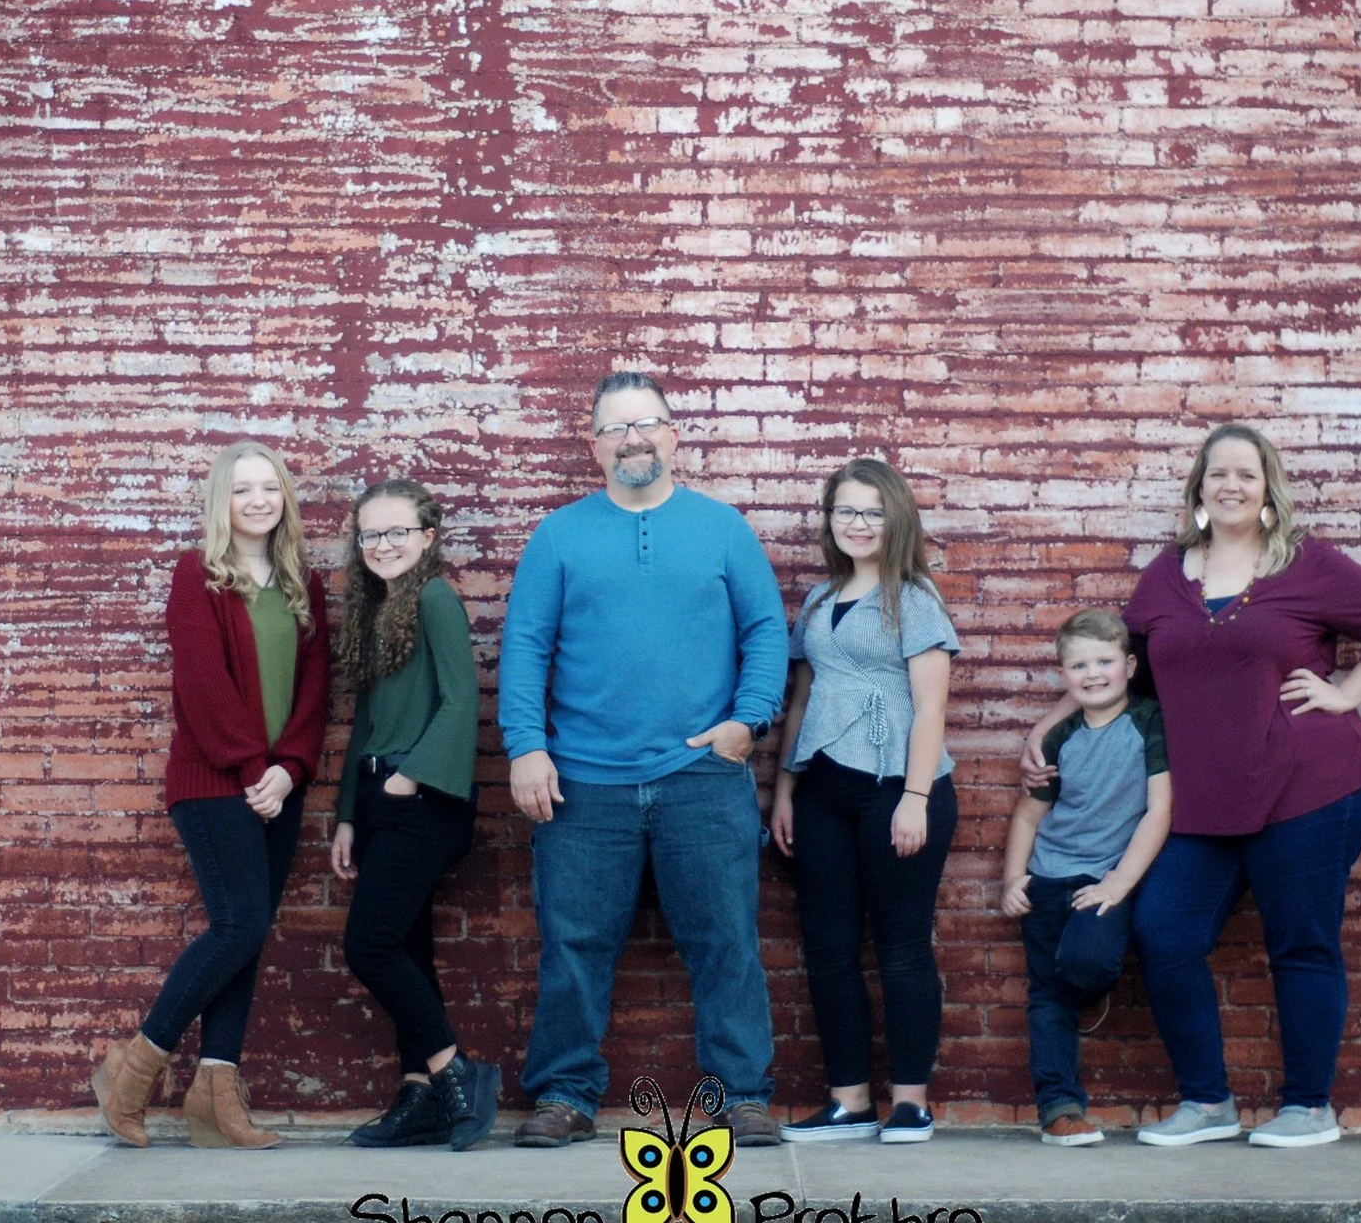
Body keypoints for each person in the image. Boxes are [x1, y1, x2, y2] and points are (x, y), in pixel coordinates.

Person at [1023, 423, 1361, 1148]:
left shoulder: (1307, 564)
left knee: (1300, 941)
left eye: (1246, 473)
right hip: (1204, 800)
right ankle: (1207, 1103)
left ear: (1268, 488)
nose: (1231, 485)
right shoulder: (1169, 574)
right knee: (1164, 931)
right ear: (1198, 490)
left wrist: (1346, 694)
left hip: (1309, 784)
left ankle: (1309, 1107)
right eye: (1217, 475)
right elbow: (1126, 660)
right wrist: (1051, 725)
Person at [499, 371, 789, 1149]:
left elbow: (766, 631)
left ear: (674, 434)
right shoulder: (559, 536)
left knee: (726, 938)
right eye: (617, 427)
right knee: (574, 945)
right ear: (594, 445)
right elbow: (524, 647)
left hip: (703, 774)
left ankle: (742, 1096)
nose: (634, 439)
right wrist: (526, 747)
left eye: (648, 423)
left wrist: (747, 722)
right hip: (583, 779)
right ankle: (563, 1093)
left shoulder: (723, 528)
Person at [91, 440, 330, 1151]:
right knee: (239, 926)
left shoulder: (302, 584)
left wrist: (289, 768)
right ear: (221, 502)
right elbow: (201, 684)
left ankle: (216, 1101)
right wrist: (255, 767)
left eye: (270, 488)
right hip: (214, 782)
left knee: (248, 938)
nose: (258, 500)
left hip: (278, 785)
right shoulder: (197, 575)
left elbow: (317, 688)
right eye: (242, 489)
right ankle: (130, 1073)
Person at [768, 458, 961, 1145]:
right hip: (824, 788)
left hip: (898, 788)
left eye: (872, 512)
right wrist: (786, 790)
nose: (857, 523)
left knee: (902, 945)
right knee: (827, 946)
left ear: (897, 520)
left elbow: (931, 708)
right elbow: (800, 700)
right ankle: (848, 1102)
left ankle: (910, 1102)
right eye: (844, 510)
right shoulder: (820, 602)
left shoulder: (914, 600)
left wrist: (913, 798)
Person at [327, 479, 501, 1152]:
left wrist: (407, 780)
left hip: (423, 797)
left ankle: (454, 1072)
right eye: (371, 534)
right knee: (404, 948)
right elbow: (366, 719)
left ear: (428, 537)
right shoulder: (377, 609)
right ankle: (422, 1095)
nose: (384, 544)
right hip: (381, 796)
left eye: (398, 531)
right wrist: (349, 813)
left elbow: (463, 702)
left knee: (368, 945)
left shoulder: (433, 598)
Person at [999, 608, 1172, 1146]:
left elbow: (1160, 808)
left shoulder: (1148, 722)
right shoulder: (1058, 739)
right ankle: (1059, 1109)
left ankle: (1089, 989)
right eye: (1079, 665)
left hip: (1106, 879)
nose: (1093, 674)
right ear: (1064, 676)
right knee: (1046, 996)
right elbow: (1029, 814)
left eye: (1104, 661)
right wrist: (1013, 879)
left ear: (1129, 664)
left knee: (1086, 961)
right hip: (1049, 876)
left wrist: (1121, 882)